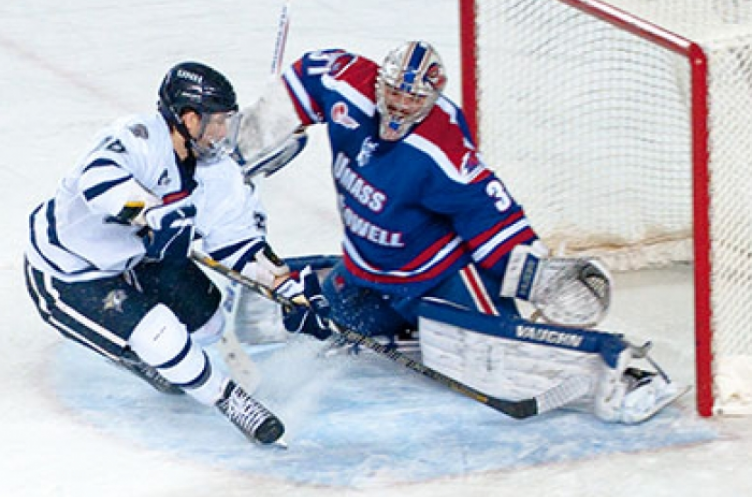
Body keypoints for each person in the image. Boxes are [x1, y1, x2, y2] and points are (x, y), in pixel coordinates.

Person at [234, 41, 685, 424]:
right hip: (367, 274)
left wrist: (534, 275)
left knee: (507, 359)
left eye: (412, 98)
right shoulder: (348, 85)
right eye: (392, 90)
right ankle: (406, 325)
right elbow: (308, 74)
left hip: (440, 278)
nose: (398, 104)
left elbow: (491, 219)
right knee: (291, 317)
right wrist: (253, 136)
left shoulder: (442, 147)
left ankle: (623, 376)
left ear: (430, 99)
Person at [23, 61, 329, 445]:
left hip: (136, 259)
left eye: (226, 121)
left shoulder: (218, 171)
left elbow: (239, 241)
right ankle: (226, 397)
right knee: (161, 337)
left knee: (208, 323)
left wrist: (287, 286)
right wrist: (151, 212)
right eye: (214, 121)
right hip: (69, 271)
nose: (221, 132)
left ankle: (164, 358)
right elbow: (96, 179)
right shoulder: (136, 137)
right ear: (185, 117)